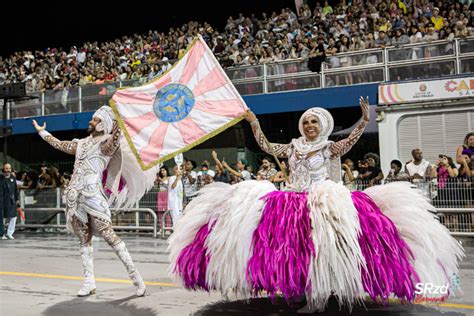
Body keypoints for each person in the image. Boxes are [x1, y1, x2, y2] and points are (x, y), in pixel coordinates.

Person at [169, 97, 463, 313]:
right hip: (290, 205)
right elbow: (267, 147)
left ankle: (320, 295)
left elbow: (348, 143)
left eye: (314, 122)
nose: (309, 125)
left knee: (321, 251)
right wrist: (253, 122)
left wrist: (362, 121)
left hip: (322, 204)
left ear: (322, 125)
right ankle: (299, 292)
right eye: (306, 121)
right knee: (293, 252)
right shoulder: (293, 146)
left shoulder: (329, 146)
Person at [32, 106, 146, 297]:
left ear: (102, 124)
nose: (90, 122)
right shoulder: (81, 144)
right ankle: (89, 282)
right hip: (75, 197)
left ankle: (137, 279)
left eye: (94, 120)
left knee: (110, 236)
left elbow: (117, 135)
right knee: (84, 239)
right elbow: (59, 144)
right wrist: (42, 132)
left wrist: (118, 116)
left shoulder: (107, 145)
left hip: (93, 196)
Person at [1, 163, 19, 240]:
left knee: (13, 217)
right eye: (6, 168)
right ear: (3, 169)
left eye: (9, 168)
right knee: (1, 218)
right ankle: (1, 234)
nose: (8, 170)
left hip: (11, 200)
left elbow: (15, 189)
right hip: (1, 200)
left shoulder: (13, 178)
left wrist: (17, 199)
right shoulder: (0, 178)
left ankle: (9, 233)